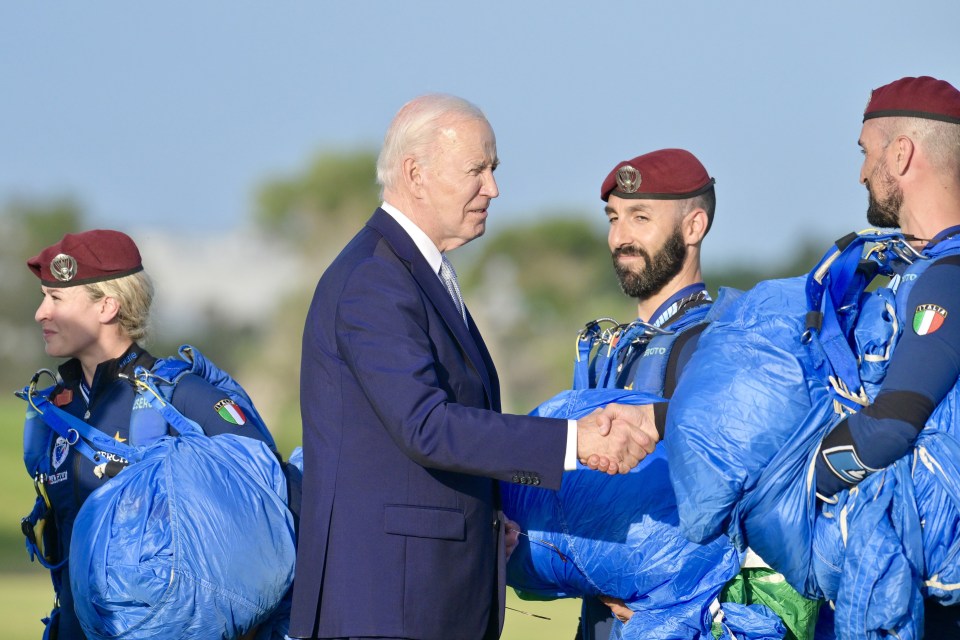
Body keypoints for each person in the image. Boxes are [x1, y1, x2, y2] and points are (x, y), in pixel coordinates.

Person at [287, 94, 658, 640]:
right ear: (415, 174)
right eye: (477, 170)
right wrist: (573, 441)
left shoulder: (411, 273)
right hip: (388, 609)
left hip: (425, 600)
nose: (493, 188)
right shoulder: (375, 280)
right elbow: (427, 426)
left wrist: (487, 524)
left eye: (494, 169)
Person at [22, 229, 276, 639]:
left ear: (107, 306)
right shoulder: (53, 410)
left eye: (56, 299)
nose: (41, 313)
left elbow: (267, 495)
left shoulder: (181, 395)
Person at [813, 75, 960, 635]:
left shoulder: (947, 279)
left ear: (901, 153)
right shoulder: (903, 272)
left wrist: (797, 486)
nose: (860, 173)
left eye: (866, 153)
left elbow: (891, 426)